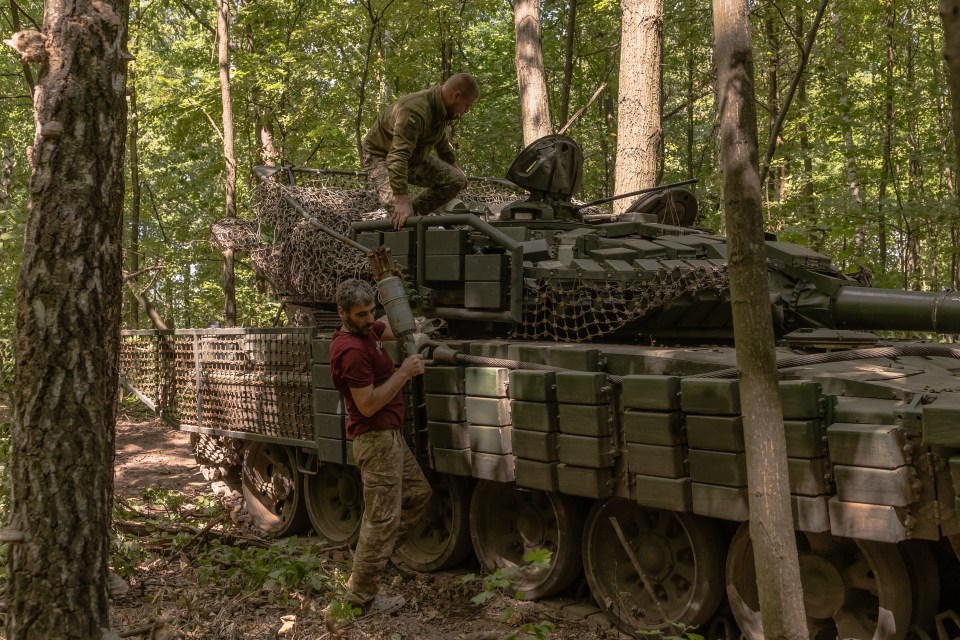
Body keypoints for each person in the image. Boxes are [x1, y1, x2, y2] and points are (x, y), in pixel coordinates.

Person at [328, 278, 432, 617]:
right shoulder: (351, 350)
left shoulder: (366, 331)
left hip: (389, 437)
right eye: (361, 314)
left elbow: (387, 329)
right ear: (342, 313)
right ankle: (359, 600)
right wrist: (403, 373)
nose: (370, 318)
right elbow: (368, 405)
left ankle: (373, 563)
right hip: (374, 439)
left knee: (417, 496)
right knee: (380, 521)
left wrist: (420, 327)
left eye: (372, 310)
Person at [361, 73, 480, 230]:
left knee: (456, 180)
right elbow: (397, 156)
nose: (466, 110)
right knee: (403, 215)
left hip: (413, 156)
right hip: (380, 156)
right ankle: (406, 221)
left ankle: (414, 214)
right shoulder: (415, 111)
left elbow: (441, 139)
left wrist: (454, 165)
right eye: (467, 105)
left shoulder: (443, 109)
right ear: (456, 96)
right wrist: (402, 201)